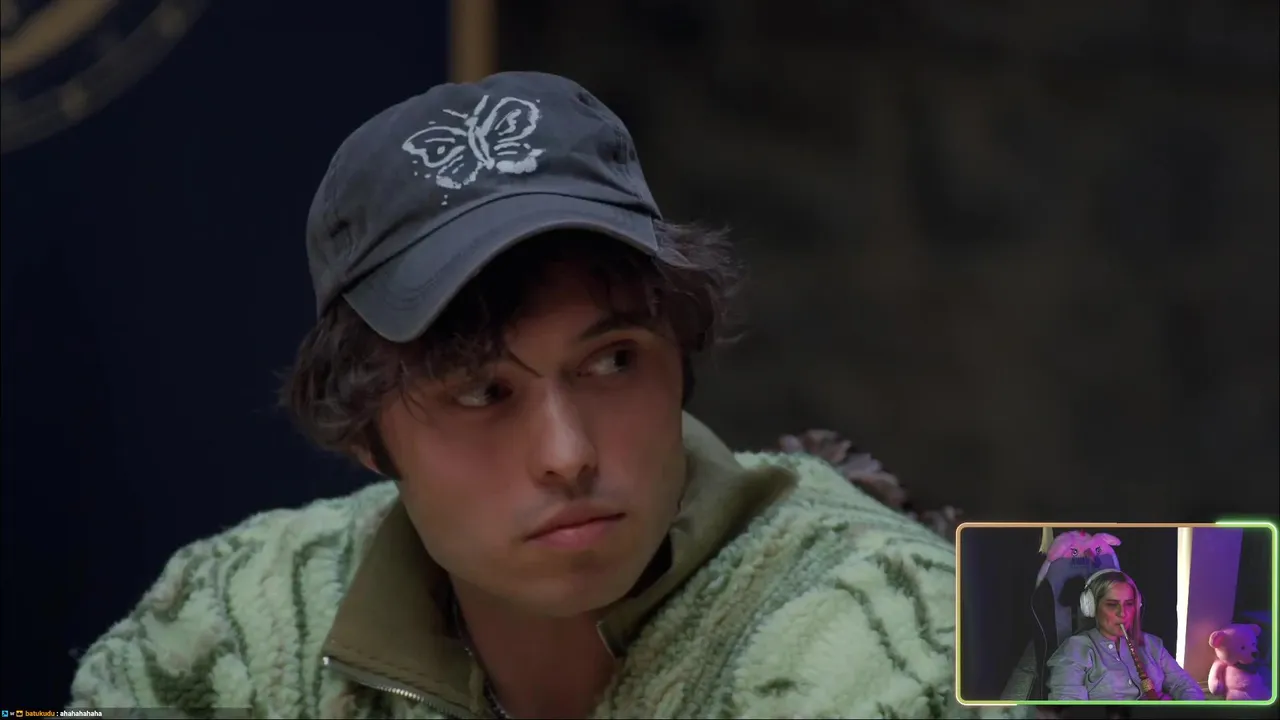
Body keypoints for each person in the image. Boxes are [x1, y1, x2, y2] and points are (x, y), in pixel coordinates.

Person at [66, 72, 1015, 719]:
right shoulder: (237, 611)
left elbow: (1109, 633)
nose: (567, 455)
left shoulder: (937, 615)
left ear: (679, 363)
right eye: (484, 391)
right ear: (364, 433)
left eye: (612, 363)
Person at [1046, 569, 1205, 701]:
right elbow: (1068, 707)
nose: (1123, 613)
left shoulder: (1151, 644)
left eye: (1129, 604)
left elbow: (1184, 685)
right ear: (1091, 607)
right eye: (1112, 605)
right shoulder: (1075, 649)